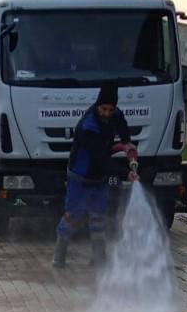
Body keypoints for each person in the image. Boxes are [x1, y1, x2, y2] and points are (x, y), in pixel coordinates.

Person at [53, 83, 138, 268]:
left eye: (110, 109)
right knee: (73, 216)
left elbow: (122, 127)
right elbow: (102, 159)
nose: (107, 113)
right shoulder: (87, 126)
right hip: (80, 177)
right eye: (104, 109)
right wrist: (126, 173)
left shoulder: (115, 114)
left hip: (99, 178)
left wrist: (127, 143)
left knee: (99, 216)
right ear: (97, 106)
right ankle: (59, 257)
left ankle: (99, 258)